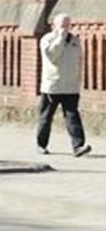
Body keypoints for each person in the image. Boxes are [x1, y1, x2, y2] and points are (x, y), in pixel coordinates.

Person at [37, 14, 92, 157]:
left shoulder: (75, 40)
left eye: (68, 25)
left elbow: (78, 61)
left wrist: (77, 80)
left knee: (72, 116)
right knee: (46, 117)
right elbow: (52, 56)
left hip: (71, 87)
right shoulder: (47, 40)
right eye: (62, 25)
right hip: (52, 86)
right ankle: (41, 144)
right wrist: (60, 38)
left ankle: (78, 146)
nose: (66, 28)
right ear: (54, 26)